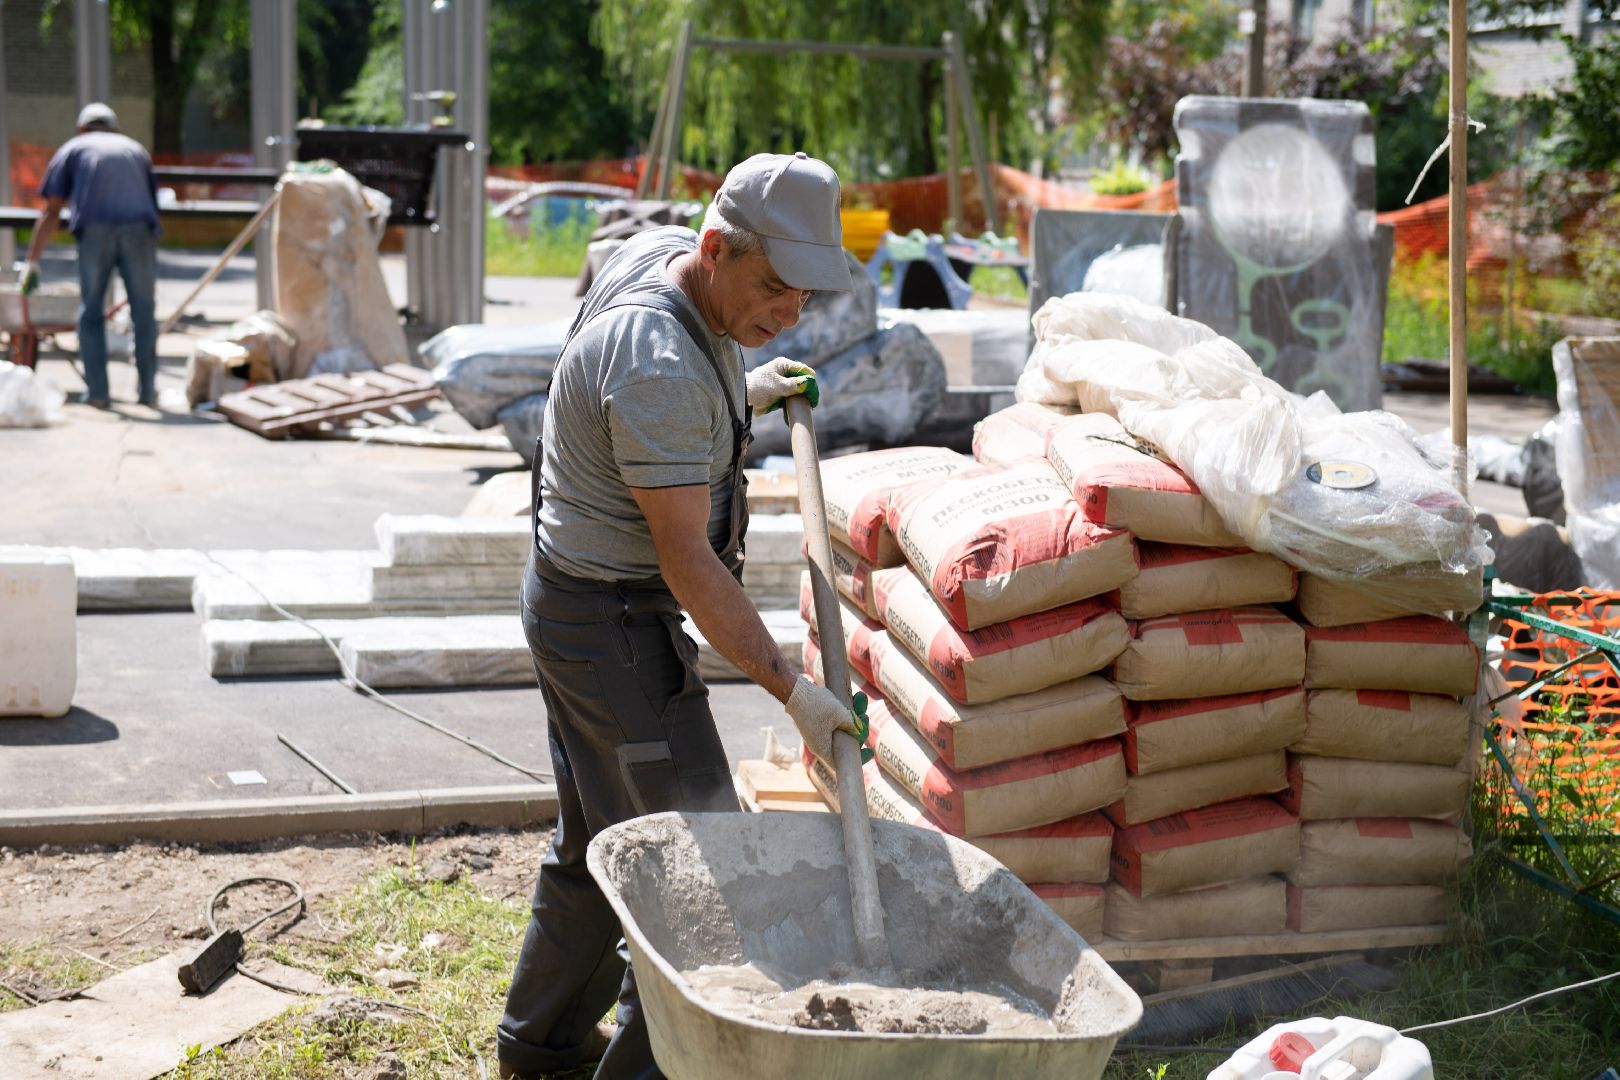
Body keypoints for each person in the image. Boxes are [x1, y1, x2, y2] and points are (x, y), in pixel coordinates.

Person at [497, 151, 867, 1080]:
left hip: (575, 599)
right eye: (774, 289)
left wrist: (741, 391)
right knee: (697, 878)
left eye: (804, 296)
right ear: (715, 248)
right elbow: (688, 562)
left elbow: (662, 382)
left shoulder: (666, 260)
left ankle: (538, 1054)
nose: (789, 313)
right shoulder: (657, 365)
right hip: (612, 624)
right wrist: (793, 692)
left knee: (600, 849)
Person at [21, 102, 161, 409]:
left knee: (92, 311)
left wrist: (32, 261)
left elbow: (52, 211)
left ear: (81, 128)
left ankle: (98, 393)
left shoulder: (73, 149)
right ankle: (148, 391)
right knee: (143, 311)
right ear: (115, 128)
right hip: (139, 233)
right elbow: (153, 201)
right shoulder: (135, 149)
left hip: (95, 234)